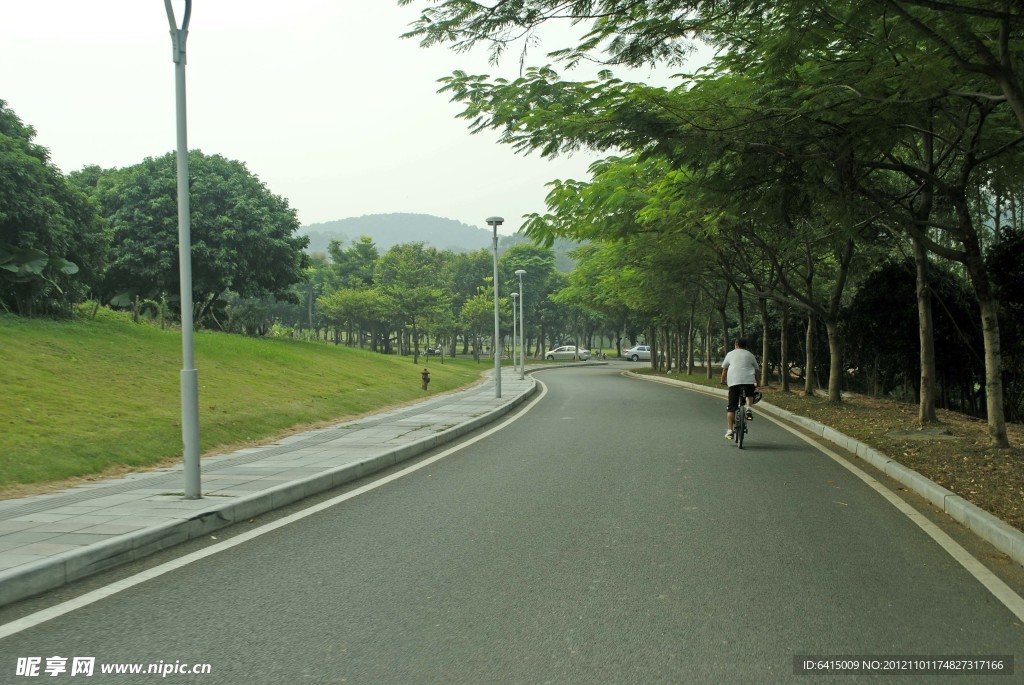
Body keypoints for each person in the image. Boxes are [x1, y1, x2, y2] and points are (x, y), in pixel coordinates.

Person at [720, 338, 760, 440]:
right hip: (748, 381)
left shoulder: (730, 354)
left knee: (731, 407)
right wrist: (758, 383)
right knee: (749, 394)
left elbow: (725, 369)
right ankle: (749, 409)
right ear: (745, 346)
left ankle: (729, 432)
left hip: (734, 382)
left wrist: (722, 381)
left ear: (736, 345)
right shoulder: (750, 355)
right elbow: (756, 370)